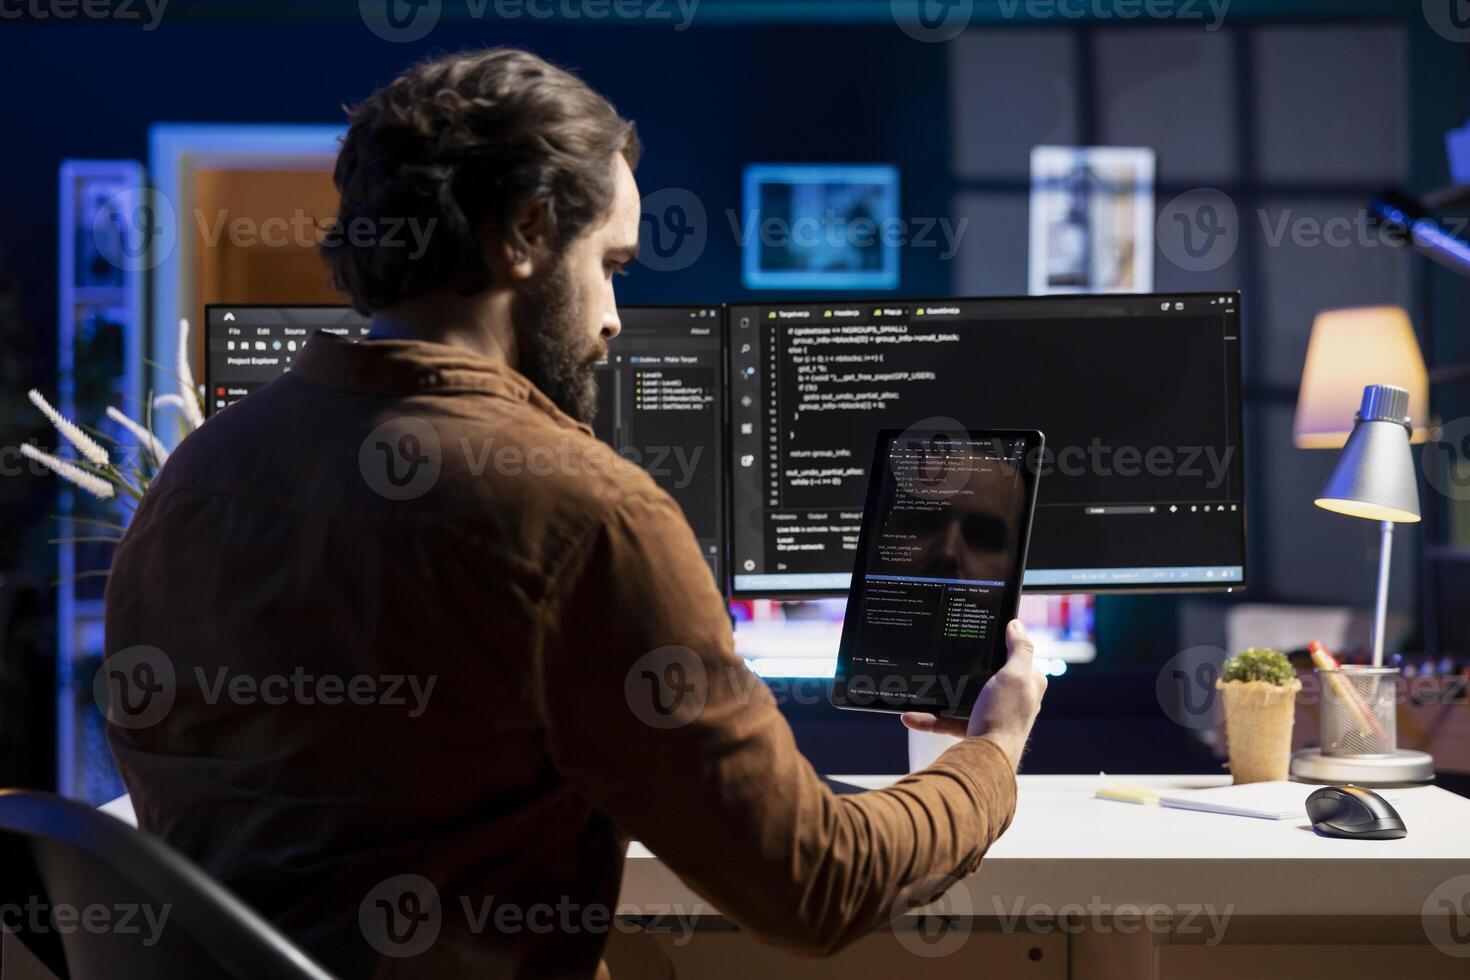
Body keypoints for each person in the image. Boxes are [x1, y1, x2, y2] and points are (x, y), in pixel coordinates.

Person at [104, 48, 1046, 979]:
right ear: (522, 233)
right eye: (612, 265)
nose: (614, 316)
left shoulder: (195, 480)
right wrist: (992, 754)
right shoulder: (584, 517)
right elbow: (815, 883)